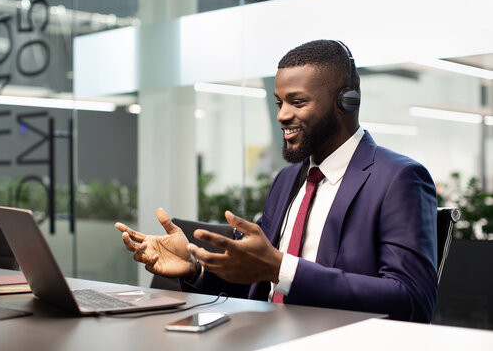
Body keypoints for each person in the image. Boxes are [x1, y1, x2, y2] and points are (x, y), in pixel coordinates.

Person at [115, 40, 438, 323]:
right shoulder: (287, 179)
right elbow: (255, 281)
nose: (282, 115)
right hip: (264, 334)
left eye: (297, 102)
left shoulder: (399, 178)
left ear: (345, 102)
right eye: (279, 102)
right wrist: (195, 267)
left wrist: (282, 267)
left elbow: (412, 301)